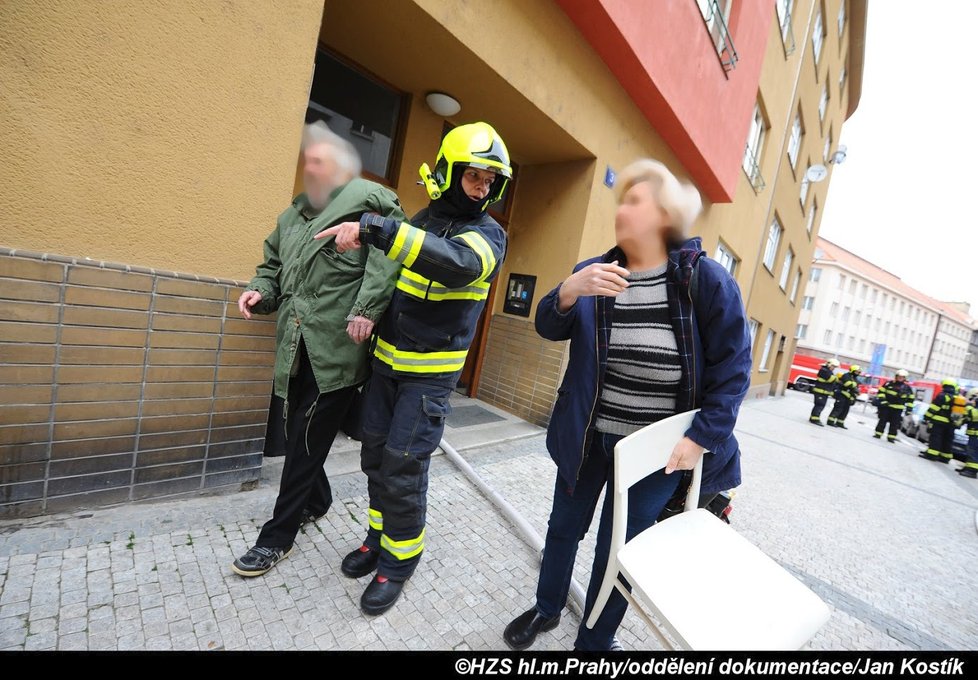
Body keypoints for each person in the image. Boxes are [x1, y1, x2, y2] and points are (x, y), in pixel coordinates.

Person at [502, 159, 751, 652]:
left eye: (635, 200)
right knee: (562, 530)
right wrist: (570, 291)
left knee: (621, 552)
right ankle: (547, 608)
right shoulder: (594, 272)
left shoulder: (703, 281)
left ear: (664, 215)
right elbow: (548, 326)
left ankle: (594, 643)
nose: (623, 209)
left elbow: (733, 369)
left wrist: (702, 436)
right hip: (588, 438)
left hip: (655, 455)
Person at [317, 122, 512, 615]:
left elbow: (459, 264)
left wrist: (376, 229)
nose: (483, 187)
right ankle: (377, 539)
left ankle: (399, 562)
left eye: (491, 181)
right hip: (386, 368)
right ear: (447, 171)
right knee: (375, 458)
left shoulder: (489, 234)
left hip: (428, 381)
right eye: (474, 176)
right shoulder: (423, 219)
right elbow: (392, 276)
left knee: (404, 468)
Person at [230, 122, 402, 577]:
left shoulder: (368, 198)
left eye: (320, 160)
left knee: (304, 444)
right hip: (293, 347)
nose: (310, 167)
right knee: (299, 439)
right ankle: (318, 500)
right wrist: (259, 292)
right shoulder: (290, 219)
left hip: (337, 350)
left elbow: (391, 249)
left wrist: (366, 308)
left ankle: (276, 537)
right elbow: (270, 268)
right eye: (308, 161)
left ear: (344, 167)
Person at [919, 379, 957, 463]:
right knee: (947, 440)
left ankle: (932, 455)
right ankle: (945, 457)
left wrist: (926, 417)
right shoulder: (956, 398)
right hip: (951, 423)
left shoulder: (942, 396)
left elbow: (934, 408)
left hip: (939, 421)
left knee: (936, 438)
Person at [873, 369, 913, 442]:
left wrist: (909, 409)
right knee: (882, 421)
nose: (900, 378)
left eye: (902, 377)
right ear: (896, 376)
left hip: (898, 409)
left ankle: (891, 437)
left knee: (895, 424)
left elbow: (911, 399)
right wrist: (884, 401)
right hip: (887, 406)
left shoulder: (907, 388)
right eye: (899, 377)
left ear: (905, 378)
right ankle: (878, 433)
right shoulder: (889, 384)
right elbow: (881, 392)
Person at [810, 358, 840, 426]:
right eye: (833, 366)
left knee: (820, 405)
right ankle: (815, 419)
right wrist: (836, 377)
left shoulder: (828, 371)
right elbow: (830, 379)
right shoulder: (824, 370)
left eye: (835, 367)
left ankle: (813, 418)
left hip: (824, 392)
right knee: (819, 405)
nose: (834, 368)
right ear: (829, 364)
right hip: (820, 392)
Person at [959, 389, 978, 479]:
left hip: (976, 433)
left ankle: (972, 471)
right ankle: (967, 467)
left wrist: (969, 406)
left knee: (974, 452)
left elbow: (975, 415)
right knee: (970, 450)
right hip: (974, 433)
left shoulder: (972, 406)